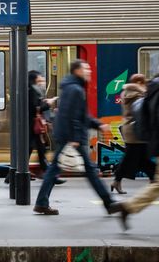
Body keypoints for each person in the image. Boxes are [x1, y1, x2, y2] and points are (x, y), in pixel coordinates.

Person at [33, 59, 115, 215]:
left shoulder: (72, 88)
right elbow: (73, 116)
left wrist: (98, 124)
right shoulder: (76, 89)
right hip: (71, 138)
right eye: (86, 68)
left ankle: (41, 203)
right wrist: (76, 138)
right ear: (77, 71)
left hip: (68, 136)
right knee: (89, 170)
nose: (89, 71)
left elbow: (81, 115)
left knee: (57, 170)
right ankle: (109, 202)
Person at [110, 59, 159, 230]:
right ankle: (127, 205)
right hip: (154, 139)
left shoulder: (154, 89)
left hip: (152, 139)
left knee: (144, 165)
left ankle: (127, 205)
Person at [111, 73, 155, 194]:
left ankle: (153, 180)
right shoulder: (139, 95)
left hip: (130, 129)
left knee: (141, 159)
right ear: (140, 83)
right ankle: (117, 180)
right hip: (137, 130)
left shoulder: (126, 93)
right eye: (144, 82)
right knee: (132, 158)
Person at [28, 71, 64, 185]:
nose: (42, 83)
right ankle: (49, 175)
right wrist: (48, 103)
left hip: (32, 126)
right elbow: (35, 109)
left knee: (40, 149)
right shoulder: (33, 91)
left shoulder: (32, 90)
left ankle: (48, 174)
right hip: (32, 126)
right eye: (40, 81)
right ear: (34, 81)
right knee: (36, 149)